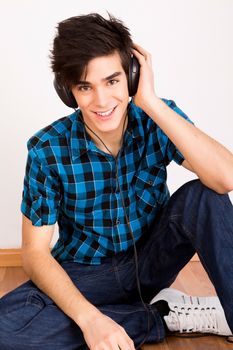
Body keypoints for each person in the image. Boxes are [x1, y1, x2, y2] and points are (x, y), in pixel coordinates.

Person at [0, 12, 233, 350]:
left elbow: (225, 178)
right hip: (87, 275)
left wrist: (150, 102)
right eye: (85, 87)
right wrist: (89, 319)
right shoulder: (46, 149)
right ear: (68, 91)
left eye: (112, 81)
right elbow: (35, 253)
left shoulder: (156, 117)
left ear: (132, 77)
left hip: (153, 259)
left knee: (204, 196)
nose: (102, 101)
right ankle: (163, 316)